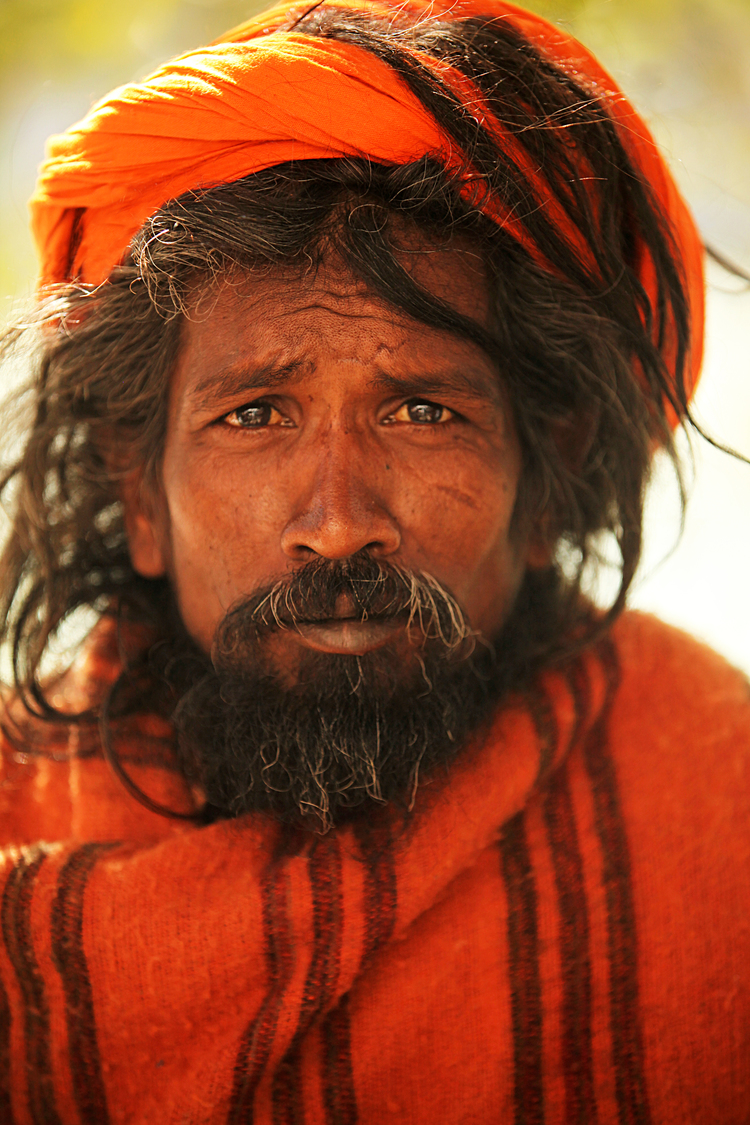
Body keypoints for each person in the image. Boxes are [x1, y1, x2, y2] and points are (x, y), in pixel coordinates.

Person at [0, 0, 747, 1120]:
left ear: (545, 479)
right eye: (255, 415)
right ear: (135, 491)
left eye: (422, 411)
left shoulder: (722, 808)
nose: (340, 523)